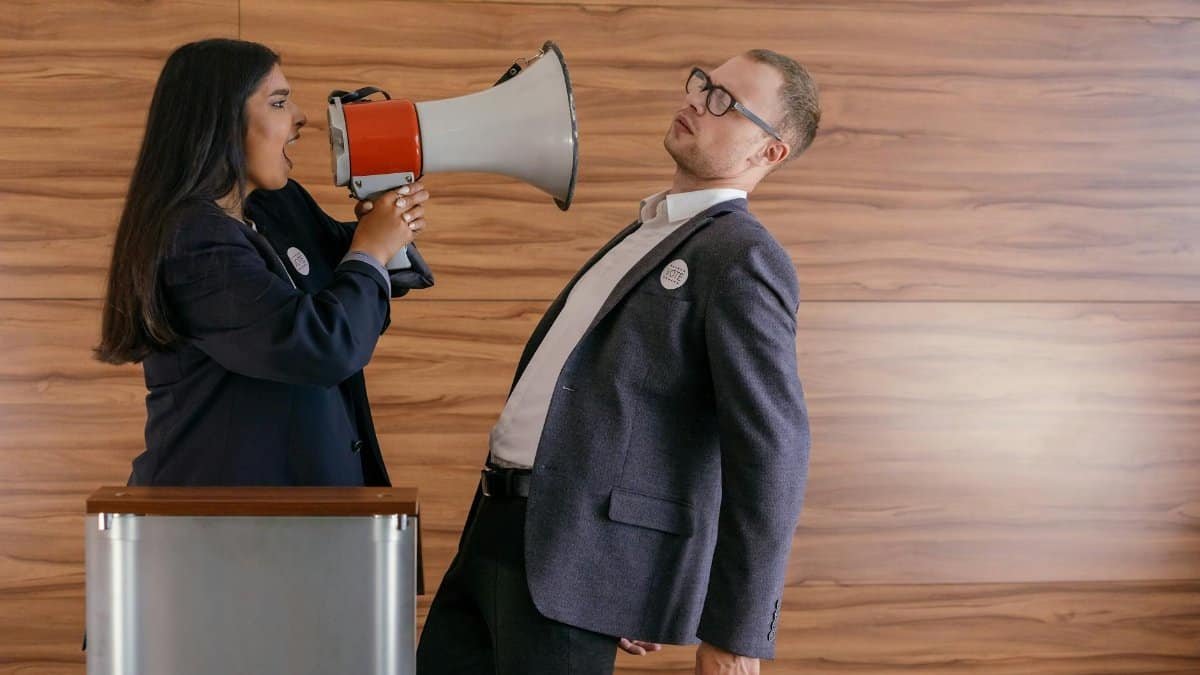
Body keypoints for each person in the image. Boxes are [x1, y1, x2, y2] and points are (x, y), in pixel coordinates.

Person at [417, 49, 819, 675]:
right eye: (703, 84)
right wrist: (631, 565)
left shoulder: (742, 257)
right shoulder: (648, 231)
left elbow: (771, 451)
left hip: (564, 565)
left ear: (769, 152)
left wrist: (735, 633)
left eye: (725, 103)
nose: (697, 101)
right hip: (496, 530)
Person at [95, 38, 432, 487]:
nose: (300, 117)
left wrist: (385, 222)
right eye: (278, 102)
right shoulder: (192, 244)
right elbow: (326, 344)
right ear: (220, 122)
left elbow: (352, 290)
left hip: (292, 517)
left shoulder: (278, 205)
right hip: (217, 522)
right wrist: (372, 248)